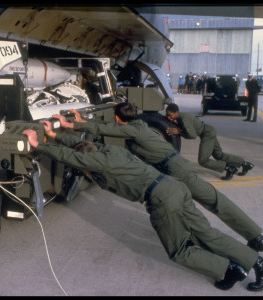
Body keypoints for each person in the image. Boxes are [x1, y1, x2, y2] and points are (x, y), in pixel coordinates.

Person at [22, 123, 263, 291]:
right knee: (206, 233)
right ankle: (256, 262)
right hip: (175, 187)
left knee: (179, 251)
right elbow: (81, 145)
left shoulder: (98, 163)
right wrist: (54, 135)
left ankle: (230, 268)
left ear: (89, 163)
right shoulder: (108, 150)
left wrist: (37, 145)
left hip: (161, 199)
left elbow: (72, 157)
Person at [51, 102, 263, 254]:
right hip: (168, 171)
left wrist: (73, 125)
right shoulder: (138, 125)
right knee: (189, 209)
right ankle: (203, 241)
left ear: (117, 117)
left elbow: (105, 128)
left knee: (213, 200)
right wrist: (80, 122)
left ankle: (255, 236)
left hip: (176, 169)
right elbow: (107, 129)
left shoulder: (134, 130)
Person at [165, 103, 254, 180]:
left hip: (207, 134)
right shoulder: (180, 117)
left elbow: (192, 135)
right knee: (219, 155)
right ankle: (245, 164)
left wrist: (179, 132)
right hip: (209, 130)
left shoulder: (184, 119)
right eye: (167, 115)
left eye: (171, 115)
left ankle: (229, 168)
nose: (169, 118)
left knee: (203, 160)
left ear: (177, 112)